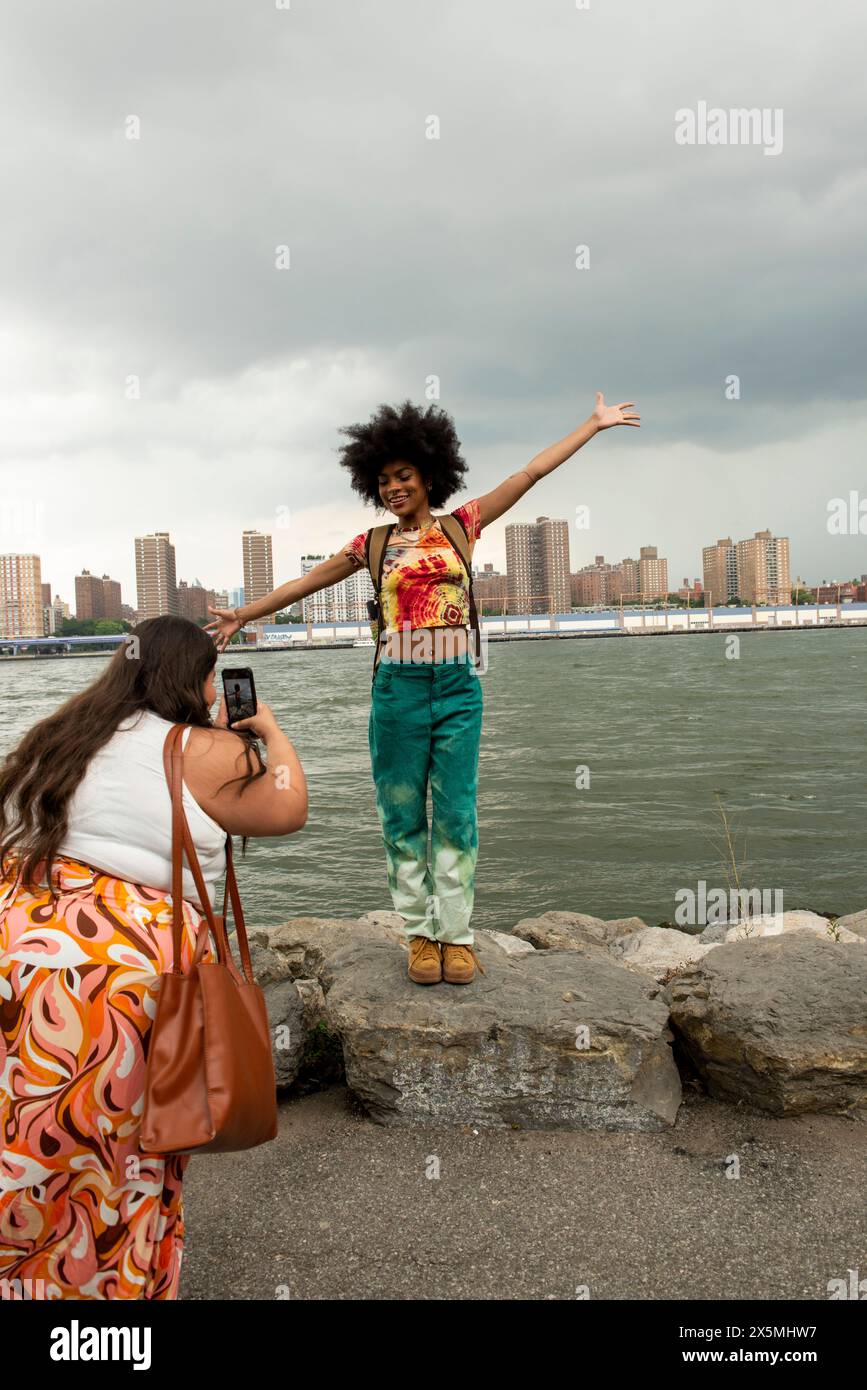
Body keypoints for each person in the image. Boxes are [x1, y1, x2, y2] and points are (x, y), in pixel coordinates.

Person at [207, 392, 639, 987]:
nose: (393, 488)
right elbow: (306, 584)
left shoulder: (463, 526)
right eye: (383, 480)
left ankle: (456, 936)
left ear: (429, 476)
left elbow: (531, 474)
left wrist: (591, 425)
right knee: (402, 812)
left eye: (403, 476)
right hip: (398, 686)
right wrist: (243, 614)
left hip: (459, 685)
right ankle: (419, 933)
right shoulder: (372, 545)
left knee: (457, 811)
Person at [0, 616, 307, 1300]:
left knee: (25, 1134)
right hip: (115, 975)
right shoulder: (204, 749)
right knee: (118, 1151)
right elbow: (287, 809)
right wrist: (267, 728)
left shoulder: (60, 736)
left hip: (18, 946)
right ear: (198, 681)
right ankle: (102, 1302)